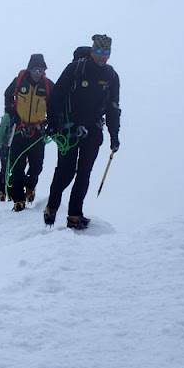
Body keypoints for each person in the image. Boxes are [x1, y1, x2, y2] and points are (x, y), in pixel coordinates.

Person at [43, 34, 121, 229]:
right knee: (66, 171)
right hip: (68, 129)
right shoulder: (76, 69)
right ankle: (52, 206)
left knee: (84, 173)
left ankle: (75, 215)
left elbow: (113, 108)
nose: (103, 56)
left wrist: (114, 135)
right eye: (100, 51)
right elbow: (56, 97)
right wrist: (52, 124)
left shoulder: (111, 76)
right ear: (93, 51)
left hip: (93, 131)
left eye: (107, 52)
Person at [3, 54, 54, 211]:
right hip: (19, 130)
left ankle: (30, 186)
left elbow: (55, 104)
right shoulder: (19, 81)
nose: (38, 73)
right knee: (17, 166)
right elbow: (7, 95)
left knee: (36, 166)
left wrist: (51, 123)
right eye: (35, 70)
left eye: (41, 70)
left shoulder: (47, 85)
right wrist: (13, 115)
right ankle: (19, 200)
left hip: (38, 132)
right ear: (29, 69)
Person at [0, 114, 15, 201]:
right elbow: (0, 131)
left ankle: (3, 190)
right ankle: (8, 191)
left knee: (6, 169)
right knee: (11, 169)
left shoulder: (8, 116)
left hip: (7, 146)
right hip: (11, 147)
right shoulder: (9, 116)